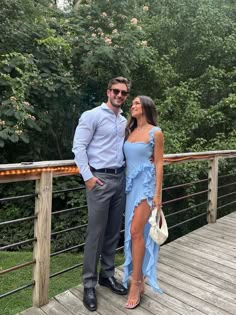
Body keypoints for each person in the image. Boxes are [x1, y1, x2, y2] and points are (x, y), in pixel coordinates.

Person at [72, 76, 130, 312]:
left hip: (120, 178)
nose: (119, 95)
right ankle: (89, 284)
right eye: (115, 91)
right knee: (95, 234)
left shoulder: (124, 120)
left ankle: (107, 276)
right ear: (108, 92)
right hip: (99, 180)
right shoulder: (92, 115)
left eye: (123, 92)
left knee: (113, 232)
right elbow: (79, 147)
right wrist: (87, 177)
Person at [122, 95, 164, 309]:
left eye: (137, 103)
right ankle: (139, 277)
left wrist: (158, 195)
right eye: (133, 103)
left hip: (146, 187)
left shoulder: (155, 132)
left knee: (136, 232)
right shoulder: (129, 131)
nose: (132, 106)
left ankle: (136, 283)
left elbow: (158, 163)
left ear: (147, 107)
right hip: (130, 188)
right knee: (135, 233)